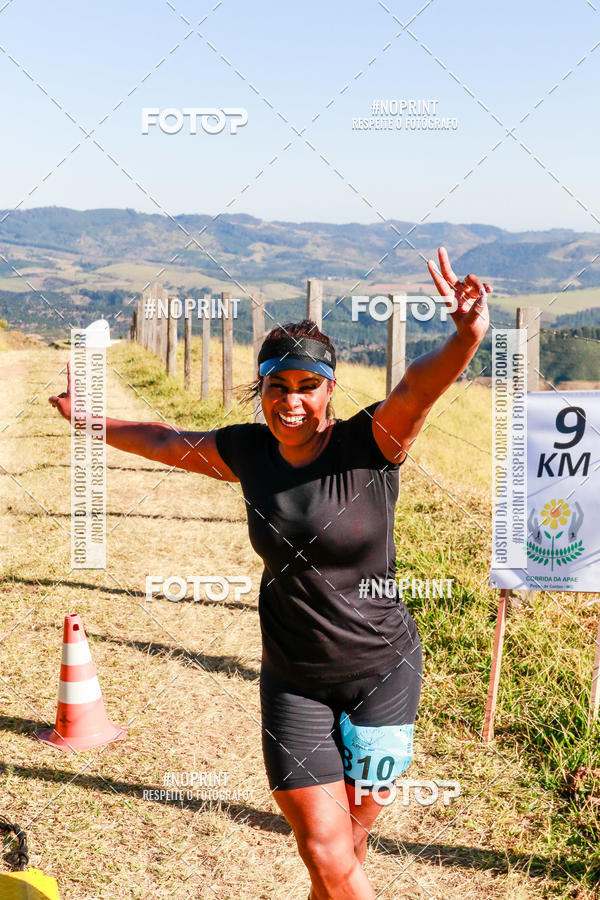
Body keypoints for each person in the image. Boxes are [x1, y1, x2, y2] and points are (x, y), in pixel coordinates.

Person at [49, 247, 491, 899]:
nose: (291, 402)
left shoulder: (371, 443)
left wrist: (467, 336)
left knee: (346, 850)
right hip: (294, 682)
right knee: (324, 848)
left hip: (384, 676)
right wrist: (88, 421)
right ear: (261, 390)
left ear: (330, 390)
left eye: (307, 386)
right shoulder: (249, 452)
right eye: (277, 387)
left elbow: (417, 389)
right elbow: (165, 440)